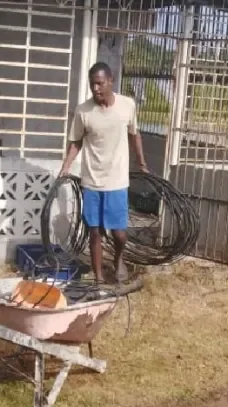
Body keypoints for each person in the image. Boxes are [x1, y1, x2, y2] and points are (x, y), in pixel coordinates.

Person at [59, 62, 148, 283]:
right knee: (95, 232)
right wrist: (66, 167)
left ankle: (118, 258)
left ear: (111, 81)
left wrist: (142, 162)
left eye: (99, 84)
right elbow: (76, 141)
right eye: (92, 85)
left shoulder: (127, 105)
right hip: (92, 181)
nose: (96, 89)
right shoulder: (83, 111)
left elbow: (134, 134)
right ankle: (99, 279)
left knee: (119, 233)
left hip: (117, 181)